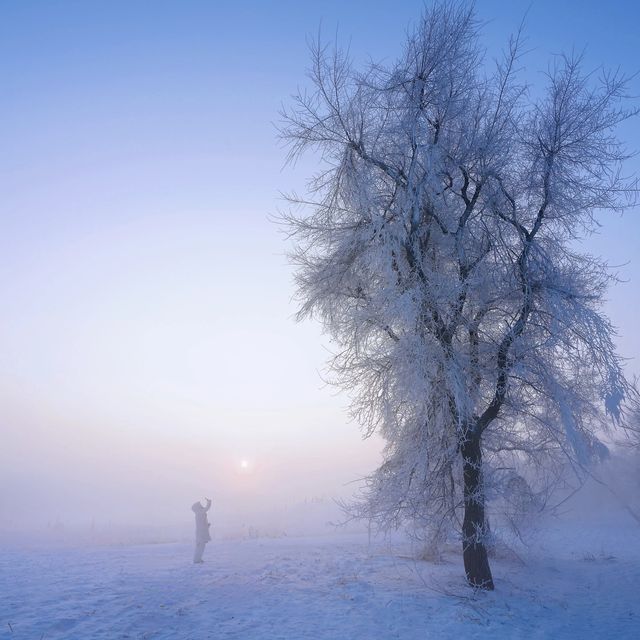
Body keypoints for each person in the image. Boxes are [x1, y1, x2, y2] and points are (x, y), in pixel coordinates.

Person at [191, 497, 212, 563]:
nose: (201, 506)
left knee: (201, 547)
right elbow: (206, 509)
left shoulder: (199, 513)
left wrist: (206, 525)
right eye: (200, 505)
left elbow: (201, 523)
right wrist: (209, 503)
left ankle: (198, 559)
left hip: (201, 533)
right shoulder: (199, 512)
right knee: (200, 547)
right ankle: (196, 560)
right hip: (200, 534)